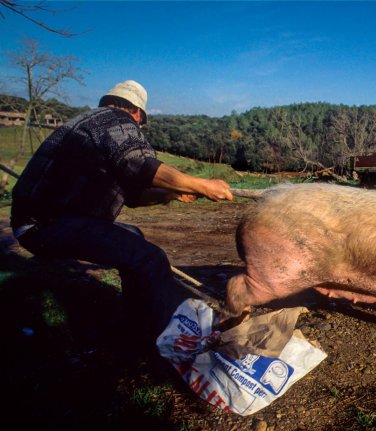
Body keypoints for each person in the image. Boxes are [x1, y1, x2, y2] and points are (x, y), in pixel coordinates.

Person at [10, 79, 233, 339]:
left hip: (38, 222)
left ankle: (137, 322)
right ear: (136, 112)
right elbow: (140, 164)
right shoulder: (115, 120)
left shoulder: (90, 123)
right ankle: (174, 336)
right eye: (139, 123)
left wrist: (171, 193)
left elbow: (135, 195)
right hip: (49, 223)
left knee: (133, 237)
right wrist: (203, 184)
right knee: (150, 258)